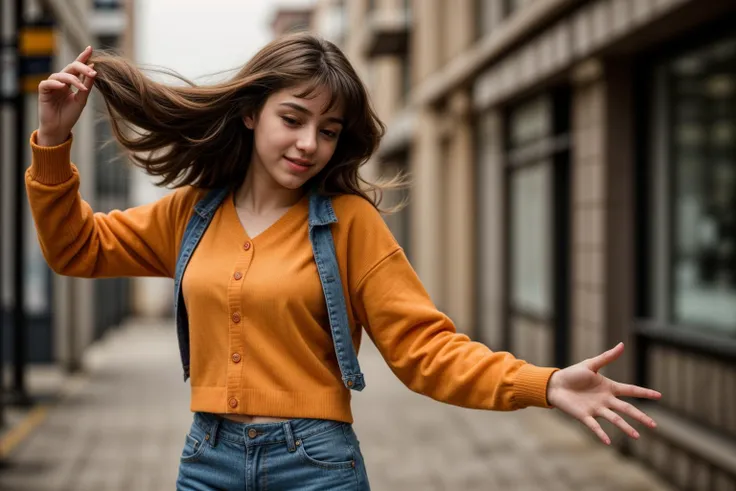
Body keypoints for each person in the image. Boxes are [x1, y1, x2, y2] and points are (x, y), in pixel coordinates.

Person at [26, 33, 660, 491]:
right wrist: (54, 140)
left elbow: (426, 352)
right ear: (250, 113)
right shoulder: (190, 214)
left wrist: (542, 384)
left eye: (328, 131)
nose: (309, 144)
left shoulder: (351, 224)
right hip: (206, 459)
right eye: (293, 119)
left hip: (316, 467)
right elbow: (76, 249)